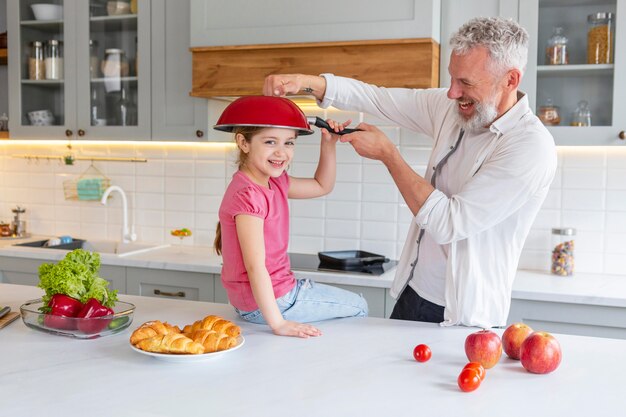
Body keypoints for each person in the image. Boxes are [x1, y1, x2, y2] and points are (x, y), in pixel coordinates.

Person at [263, 17, 557, 328]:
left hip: (463, 316)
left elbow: (449, 222)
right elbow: (377, 98)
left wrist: (389, 155)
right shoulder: (453, 109)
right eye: (452, 79)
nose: (452, 93)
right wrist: (307, 83)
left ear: (511, 80)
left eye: (466, 83)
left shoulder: (530, 147)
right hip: (413, 292)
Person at [213, 96, 368, 338]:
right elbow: (256, 267)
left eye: (289, 143)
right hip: (270, 302)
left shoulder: (274, 182)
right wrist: (278, 324)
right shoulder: (248, 195)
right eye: (270, 142)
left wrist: (329, 144)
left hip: (267, 298)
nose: (281, 152)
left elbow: (321, 185)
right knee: (359, 307)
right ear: (243, 143)